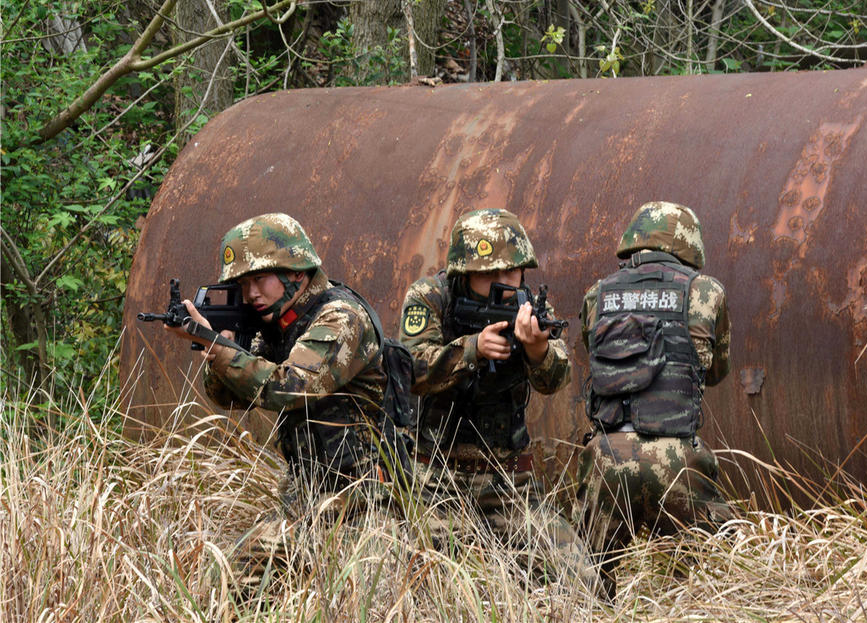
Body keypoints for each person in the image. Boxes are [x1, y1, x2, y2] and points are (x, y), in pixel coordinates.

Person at [165, 212, 394, 547]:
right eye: (242, 285)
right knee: (241, 576)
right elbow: (229, 398)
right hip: (306, 491)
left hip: (364, 498)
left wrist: (221, 349)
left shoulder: (341, 317)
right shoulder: (279, 323)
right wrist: (223, 349)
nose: (251, 294)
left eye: (259, 279)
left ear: (295, 271)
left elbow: (290, 388)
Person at [398, 207, 596, 590]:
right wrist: (471, 349)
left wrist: (537, 350)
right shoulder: (431, 297)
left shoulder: (530, 309)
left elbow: (556, 379)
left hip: (509, 484)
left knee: (581, 583)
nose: (503, 282)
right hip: (435, 481)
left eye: (512, 271)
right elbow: (410, 371)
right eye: (489, 273)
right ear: (463, 272)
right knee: (421, 589)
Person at [577, 201, 734, 595]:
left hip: (607, 456)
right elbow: (716, 371)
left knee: (586, 582)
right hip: (678, 459)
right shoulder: (706, 292)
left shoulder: (598, 294)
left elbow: (593, 354)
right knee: (721, 578)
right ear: (687, 244)